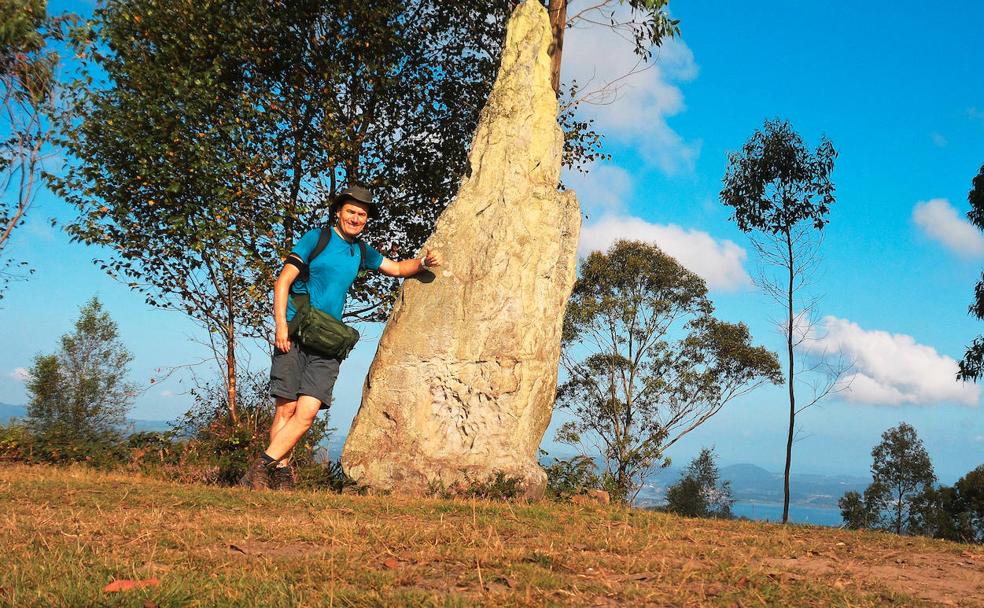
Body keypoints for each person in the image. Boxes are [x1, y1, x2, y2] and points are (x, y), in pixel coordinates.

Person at [240, 185, 442, 490]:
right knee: (286, 409)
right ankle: (278, 475)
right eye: (351, 211)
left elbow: (398, 268)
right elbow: (283, 281)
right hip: (295, 333)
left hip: (327, 340)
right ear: (338, 212)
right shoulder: (317, 238)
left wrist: (424, 263)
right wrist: (281, 325)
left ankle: (260, 467)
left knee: (306, 413)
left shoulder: (360, 251)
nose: (356, 218)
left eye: (362, 214)